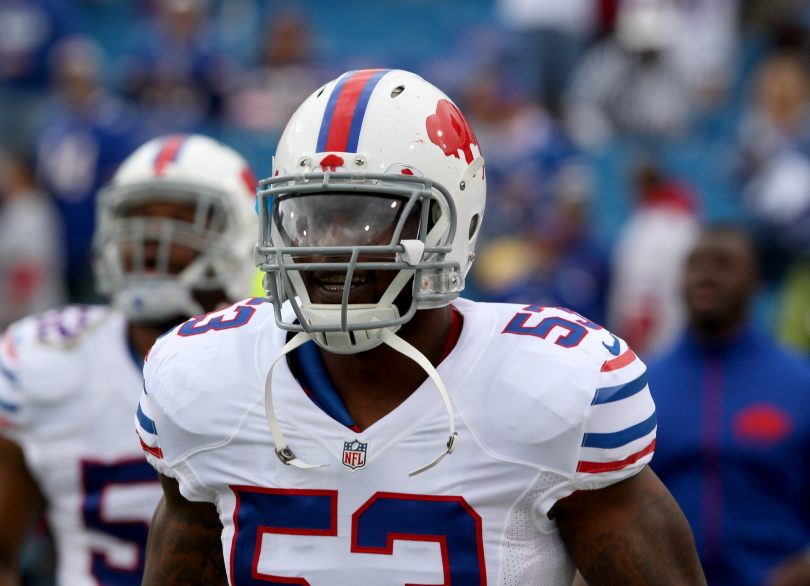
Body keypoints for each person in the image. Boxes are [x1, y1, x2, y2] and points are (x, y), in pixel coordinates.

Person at [137, 69, 705, 584]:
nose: (332, 248)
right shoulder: (207, 379)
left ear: (451, 225)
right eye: (311, 218)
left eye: (365, 219)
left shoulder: (550, 390)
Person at [0, 133, 257, 585]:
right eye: (135, 218)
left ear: (242, 236)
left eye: (184, 220)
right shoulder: (46, 358)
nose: (150, 242)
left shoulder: (280, 364)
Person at [648, 224, 810, 586]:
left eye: (723, 263)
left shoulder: (800, 383)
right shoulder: (640, 384)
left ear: (756, 282)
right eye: (694, 264)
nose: (705, 274)